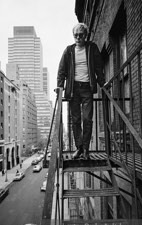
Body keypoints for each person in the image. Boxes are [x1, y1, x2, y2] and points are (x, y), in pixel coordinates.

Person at [57, 23, 105, 159]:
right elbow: (61, 71)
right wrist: (60, 86)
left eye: (81, 35)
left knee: (87, 119)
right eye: (75, 35)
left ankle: (86, 149)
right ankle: (79, 148)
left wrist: (103, 83)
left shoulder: (92, 48)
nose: (78, 37)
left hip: (87, 88)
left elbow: (99, 68)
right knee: (76, 120)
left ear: (86, 35)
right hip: (73, 89)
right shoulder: (69, 50)